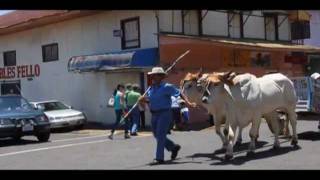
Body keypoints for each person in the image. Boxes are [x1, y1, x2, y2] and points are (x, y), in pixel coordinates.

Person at [139, 67, 196, 164]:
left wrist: (188, 102)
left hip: (164, 113)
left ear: (161, 76)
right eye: (151, 75)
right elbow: (150, 100)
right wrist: (143, 100)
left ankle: (159, 158)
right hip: (154, 114)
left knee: (160, 135)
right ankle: (173, 147)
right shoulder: (151, 88)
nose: (152, 77)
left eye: (154, 75)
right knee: (156, 135)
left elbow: (180, 93)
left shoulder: (167, 87)